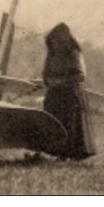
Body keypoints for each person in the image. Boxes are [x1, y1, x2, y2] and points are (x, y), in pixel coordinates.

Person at [42, 23, 96, 160]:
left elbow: (80, 75)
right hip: (54, 94)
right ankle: (59, 152)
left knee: (70, 124)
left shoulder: (74, 53)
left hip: (70, 95)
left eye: (56, 42)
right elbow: (45, 73)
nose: (53, 45)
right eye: (52, 42)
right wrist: (49, 81)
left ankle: (69, 154)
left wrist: (62, 82)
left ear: (63, 42)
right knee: (54, 122)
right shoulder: (51, 55)